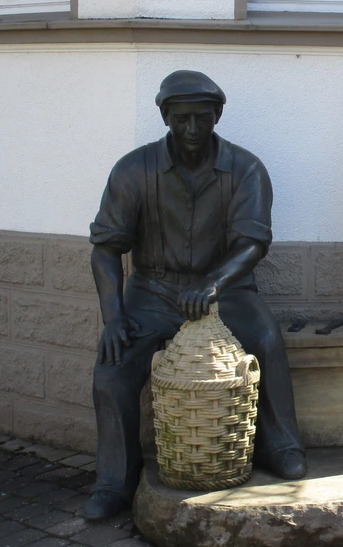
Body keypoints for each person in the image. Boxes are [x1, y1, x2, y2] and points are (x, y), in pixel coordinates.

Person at [82, 70, 307, 521]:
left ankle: (279, 442)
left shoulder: (245, 169)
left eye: (201, 119)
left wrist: (214, 281)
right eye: (181, 118)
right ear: (165, 117)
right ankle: (114, 479)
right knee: (112, 370)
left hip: (227, 291)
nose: (191, 129)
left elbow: (252, 242)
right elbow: (106, 249)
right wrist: (113, 317)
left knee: (264, 339)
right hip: (151, 293)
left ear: (216, 116)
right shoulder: (133, 170)